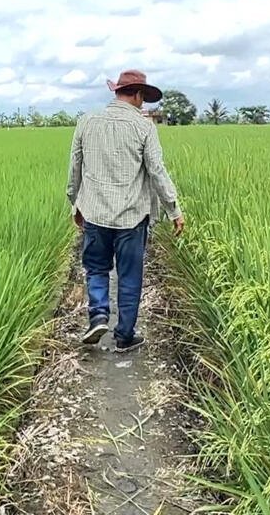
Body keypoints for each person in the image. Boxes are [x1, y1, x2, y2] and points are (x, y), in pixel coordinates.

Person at [65, 69, 185, 353]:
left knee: (96, 268)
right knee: (130, 276)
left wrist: (75, 203)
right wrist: (174, 210)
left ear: (117, 91)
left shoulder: (87, 122)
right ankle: (125, 336)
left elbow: (75, 168)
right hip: (132, 217)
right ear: (139, 95)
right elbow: (157, 172)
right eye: (144, 99)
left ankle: (98, 315)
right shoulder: (144, 128)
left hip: (95, 213)